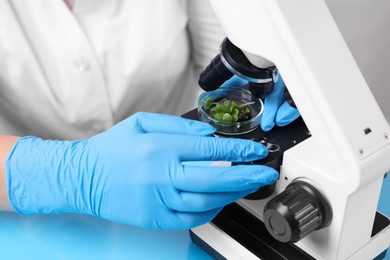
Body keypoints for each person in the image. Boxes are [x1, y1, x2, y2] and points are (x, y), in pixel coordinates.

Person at [0, 0, 294, 230]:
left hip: (184, 194)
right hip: (29, 215)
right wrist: (72, 174)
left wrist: (263, 76)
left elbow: (225, 51)